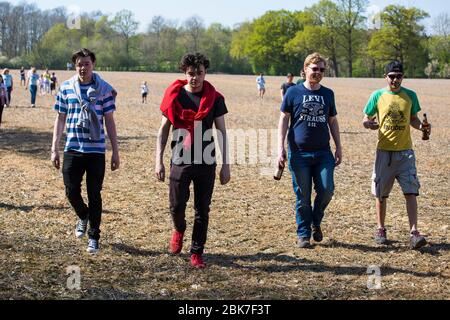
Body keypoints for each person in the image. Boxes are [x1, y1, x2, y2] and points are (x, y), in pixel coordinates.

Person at [155, 52, 230, 268]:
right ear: (184, 73)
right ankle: (178, 229)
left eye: (199, 73)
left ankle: (197, 251)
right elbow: (163, 131)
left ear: (205, 73)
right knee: (176, 205)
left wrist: (226, 165)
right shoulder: (174, 96)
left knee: (202, 209)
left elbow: (222, 132)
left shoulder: (215, 99)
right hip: (180, 159)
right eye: (191, 73)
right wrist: (158, 161)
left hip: (206, 161)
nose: (195, 78)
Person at [51, 48, 120, 254]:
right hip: (73, 147)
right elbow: (60, 118)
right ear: (75, 66)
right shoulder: (66, 88)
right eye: (79, 64)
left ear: (93, 65)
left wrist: (115, 151)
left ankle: (94, 237)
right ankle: (83, 215)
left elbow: (109, 121)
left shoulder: (105, 90)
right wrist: (54, 147)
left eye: (86, 64)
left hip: (96, 151)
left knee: (94, 194)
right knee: (71, 191)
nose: (83, 68)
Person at [278, 52, 342, 248]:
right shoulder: (293, 92)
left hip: (323, 153)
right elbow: (284, 119)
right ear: (305, 70)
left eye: (322, 70)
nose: (318, 73)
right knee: (303, 196)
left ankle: (316, 220)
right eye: (315, 69)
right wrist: (280, 148)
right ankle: (304, 234)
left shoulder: (328, 94)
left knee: (327, 190)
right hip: (299, 154)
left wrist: (339, 146)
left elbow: (332, 120)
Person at [363, 61, 430, 250]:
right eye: (391, 76)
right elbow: (366, 119)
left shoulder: (410, 96)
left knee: (411, 191)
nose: (395, 79)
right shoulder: (377, 95)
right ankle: (381, 229)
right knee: (381, 194)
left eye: (398, 76)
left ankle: (414, 233)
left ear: (403, 77)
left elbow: (413, 119)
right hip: (384, 152)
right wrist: (369, 124)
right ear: (385, 77)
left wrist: (423, 128)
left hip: (406, 153)